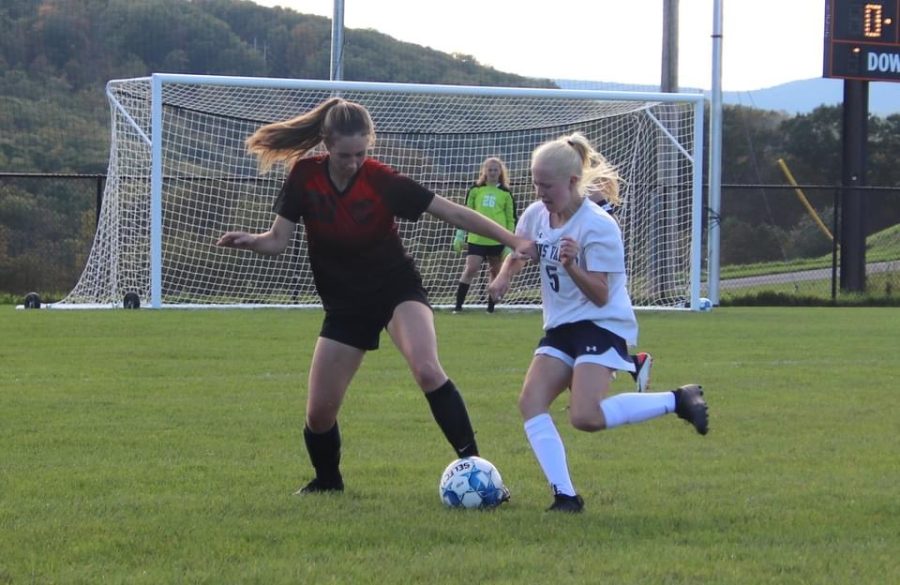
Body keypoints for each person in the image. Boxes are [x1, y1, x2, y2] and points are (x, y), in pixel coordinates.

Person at [216, 97, 535, 496]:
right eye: (345, 155)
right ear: (326, 145)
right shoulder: (305, 176)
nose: (353, 162)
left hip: (395, 287)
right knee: (319, 414)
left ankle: (478, 469)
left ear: (370, 145)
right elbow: (278, 240)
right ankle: (328, 482)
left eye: (361, 153)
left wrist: (511, 239)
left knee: (427, 369)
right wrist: (251, 241)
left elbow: (453, 212)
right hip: (345, 303)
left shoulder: (383, 179)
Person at [488, 132, 708, 513]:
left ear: (573, 182)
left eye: (547, 185)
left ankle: (679, 399)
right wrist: (505, 275)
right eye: (535, 182)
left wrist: (572, 266)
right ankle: (566, 497)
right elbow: (524, 250)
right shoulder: (536, 214)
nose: (539, 192)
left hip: (601, 324)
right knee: (531, 402)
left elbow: (601, 295)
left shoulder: (599, 225)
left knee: (585, 417)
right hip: (560, 327)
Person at [584, 185, 653, 393]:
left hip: (593, 268)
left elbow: (612, 223)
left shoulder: (590, 192)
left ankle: (674, 400)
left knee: (584, 338)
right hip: (574, 274)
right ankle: (634, 364)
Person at [451, 157, 518, 313]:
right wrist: (460, 235)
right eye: (490, 169)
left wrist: (509, 242)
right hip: (477, 238)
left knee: (495, 272)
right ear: (484, 171)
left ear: (500, 172)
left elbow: (510, 219)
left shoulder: (505, 193)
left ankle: (490, 309)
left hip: (497, 239)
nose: (493, 172)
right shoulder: (476, 190)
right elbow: (465, 213)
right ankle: (458, 307)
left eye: (496, 169)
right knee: (471, 268)